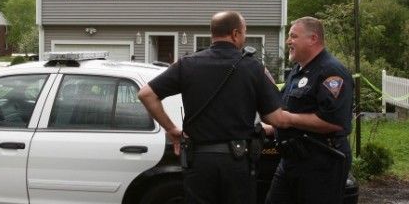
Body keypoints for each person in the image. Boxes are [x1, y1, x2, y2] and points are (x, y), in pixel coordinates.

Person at [138, 11, 295, 204]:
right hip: (237, 162)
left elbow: (146, 94)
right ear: (236, 33)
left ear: (213, 33)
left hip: (199, 162)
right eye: (244, 33)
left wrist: (171, 130)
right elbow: (276, 118)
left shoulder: (187, 64)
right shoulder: (253, 67)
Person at [265, 16, 353, 204]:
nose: (288, 41)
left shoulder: (331, 71)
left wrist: (287, 120)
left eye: (293, 36)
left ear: (313, 39)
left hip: (321, 162)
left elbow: (335, 121)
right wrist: (273, 128)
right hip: (291, 159)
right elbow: (287, 108)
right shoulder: (298, 71)